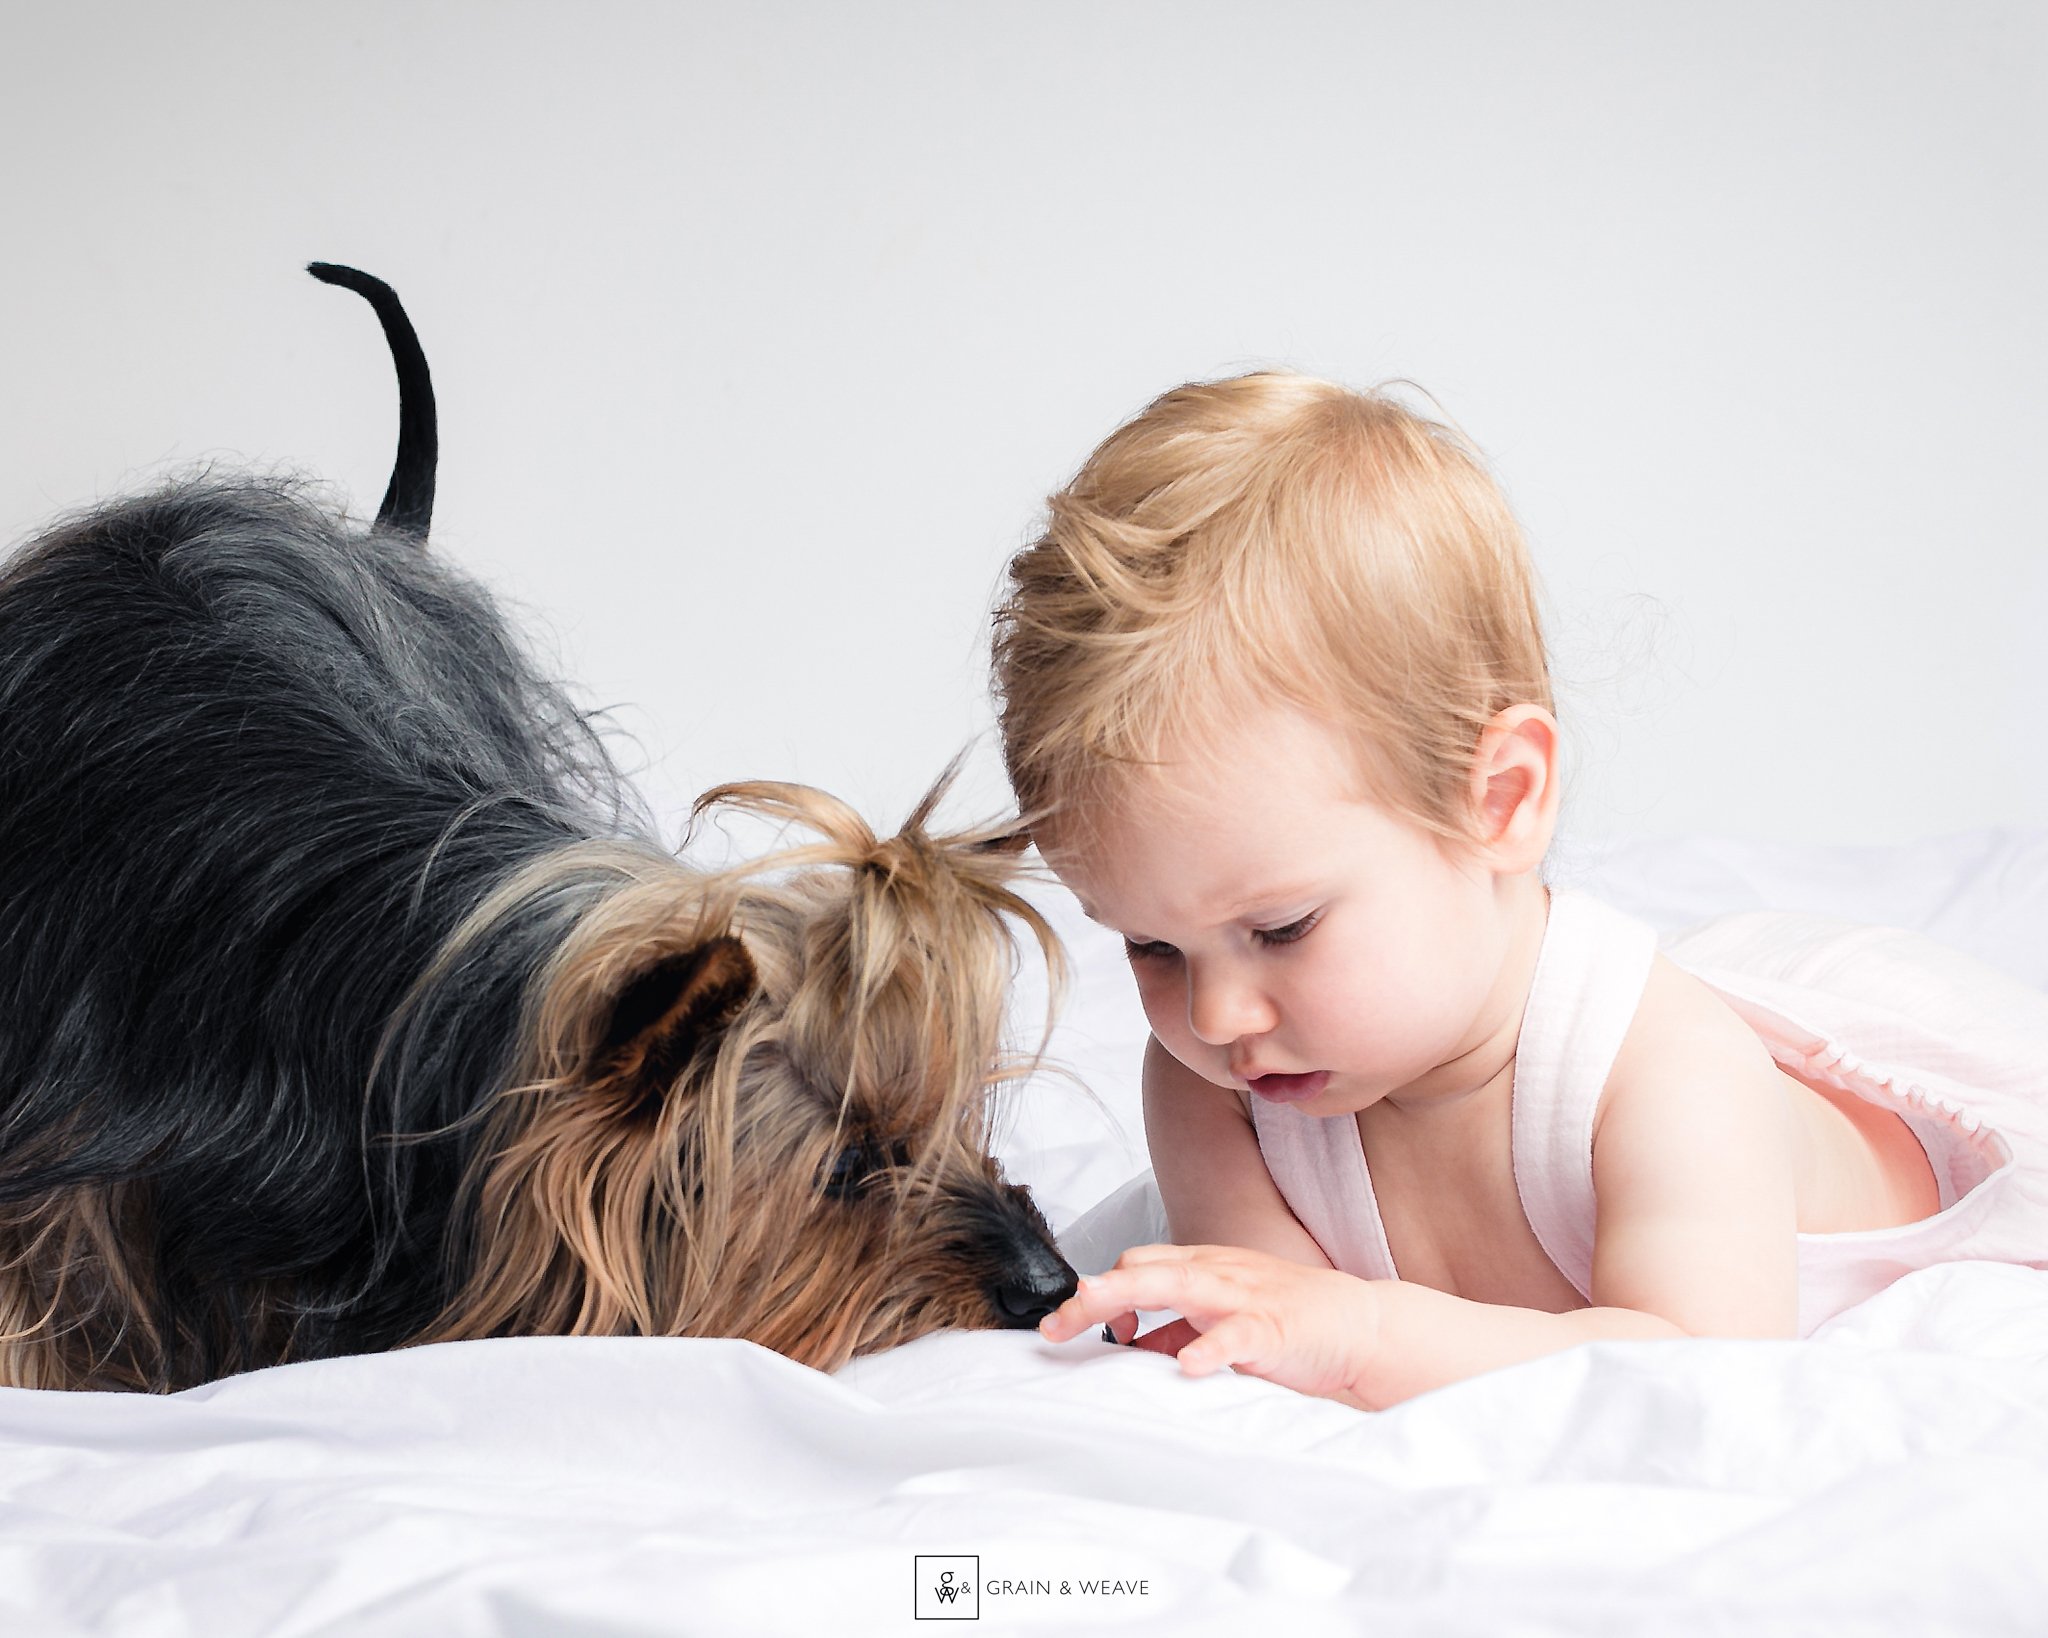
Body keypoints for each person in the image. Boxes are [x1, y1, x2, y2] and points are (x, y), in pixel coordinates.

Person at [990, 371, 2048, 1410]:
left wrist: (1364, 1332)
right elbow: (1267, 1335)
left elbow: (1694, 1369)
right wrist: (1299, 1332)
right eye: (1148, 947)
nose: (1212, 1015)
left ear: (1497, 800)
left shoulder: (1665, 1076)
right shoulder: (1206, 1087)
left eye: (1279, 928)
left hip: (1903, 1163)